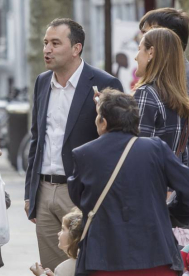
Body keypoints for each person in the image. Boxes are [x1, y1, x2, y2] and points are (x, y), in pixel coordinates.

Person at [68, 89, 189, 276]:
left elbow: (79, 198)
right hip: (156, 257)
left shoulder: (84, 154)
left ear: (103, 122)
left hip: (104, 259)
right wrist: (173, 215)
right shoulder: (156, 149)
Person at [24, 18, 124, 271]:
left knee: (87, 264)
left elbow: (116, 143)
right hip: (45, 189)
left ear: (76, 48)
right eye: (46, 42)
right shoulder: (42, 82)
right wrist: (30, 192)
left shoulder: (105, 84)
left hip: (82, 191)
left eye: (55, 43)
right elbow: (37, 138)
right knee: (52, 268)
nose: (47, 49)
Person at [139, 8, 189, 178]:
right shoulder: (171, 75)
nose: (142, 42)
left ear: (166, 39)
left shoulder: (182, 79)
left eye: (147, 34)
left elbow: (163, 135)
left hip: (184, 180)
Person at [133, 27, 189, 165]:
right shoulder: (181, 98)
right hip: (171, 183)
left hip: (149, 183)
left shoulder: (145, 93)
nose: (135, 56)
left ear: (151, 52)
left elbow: (135, 151)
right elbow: (182, 156)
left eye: (139, 49)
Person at [30, 209, 83, 276]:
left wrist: (41, 274)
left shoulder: (64, 269)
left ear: (73, 236)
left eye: (63, 229)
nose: (58, 233)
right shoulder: (88, 263)